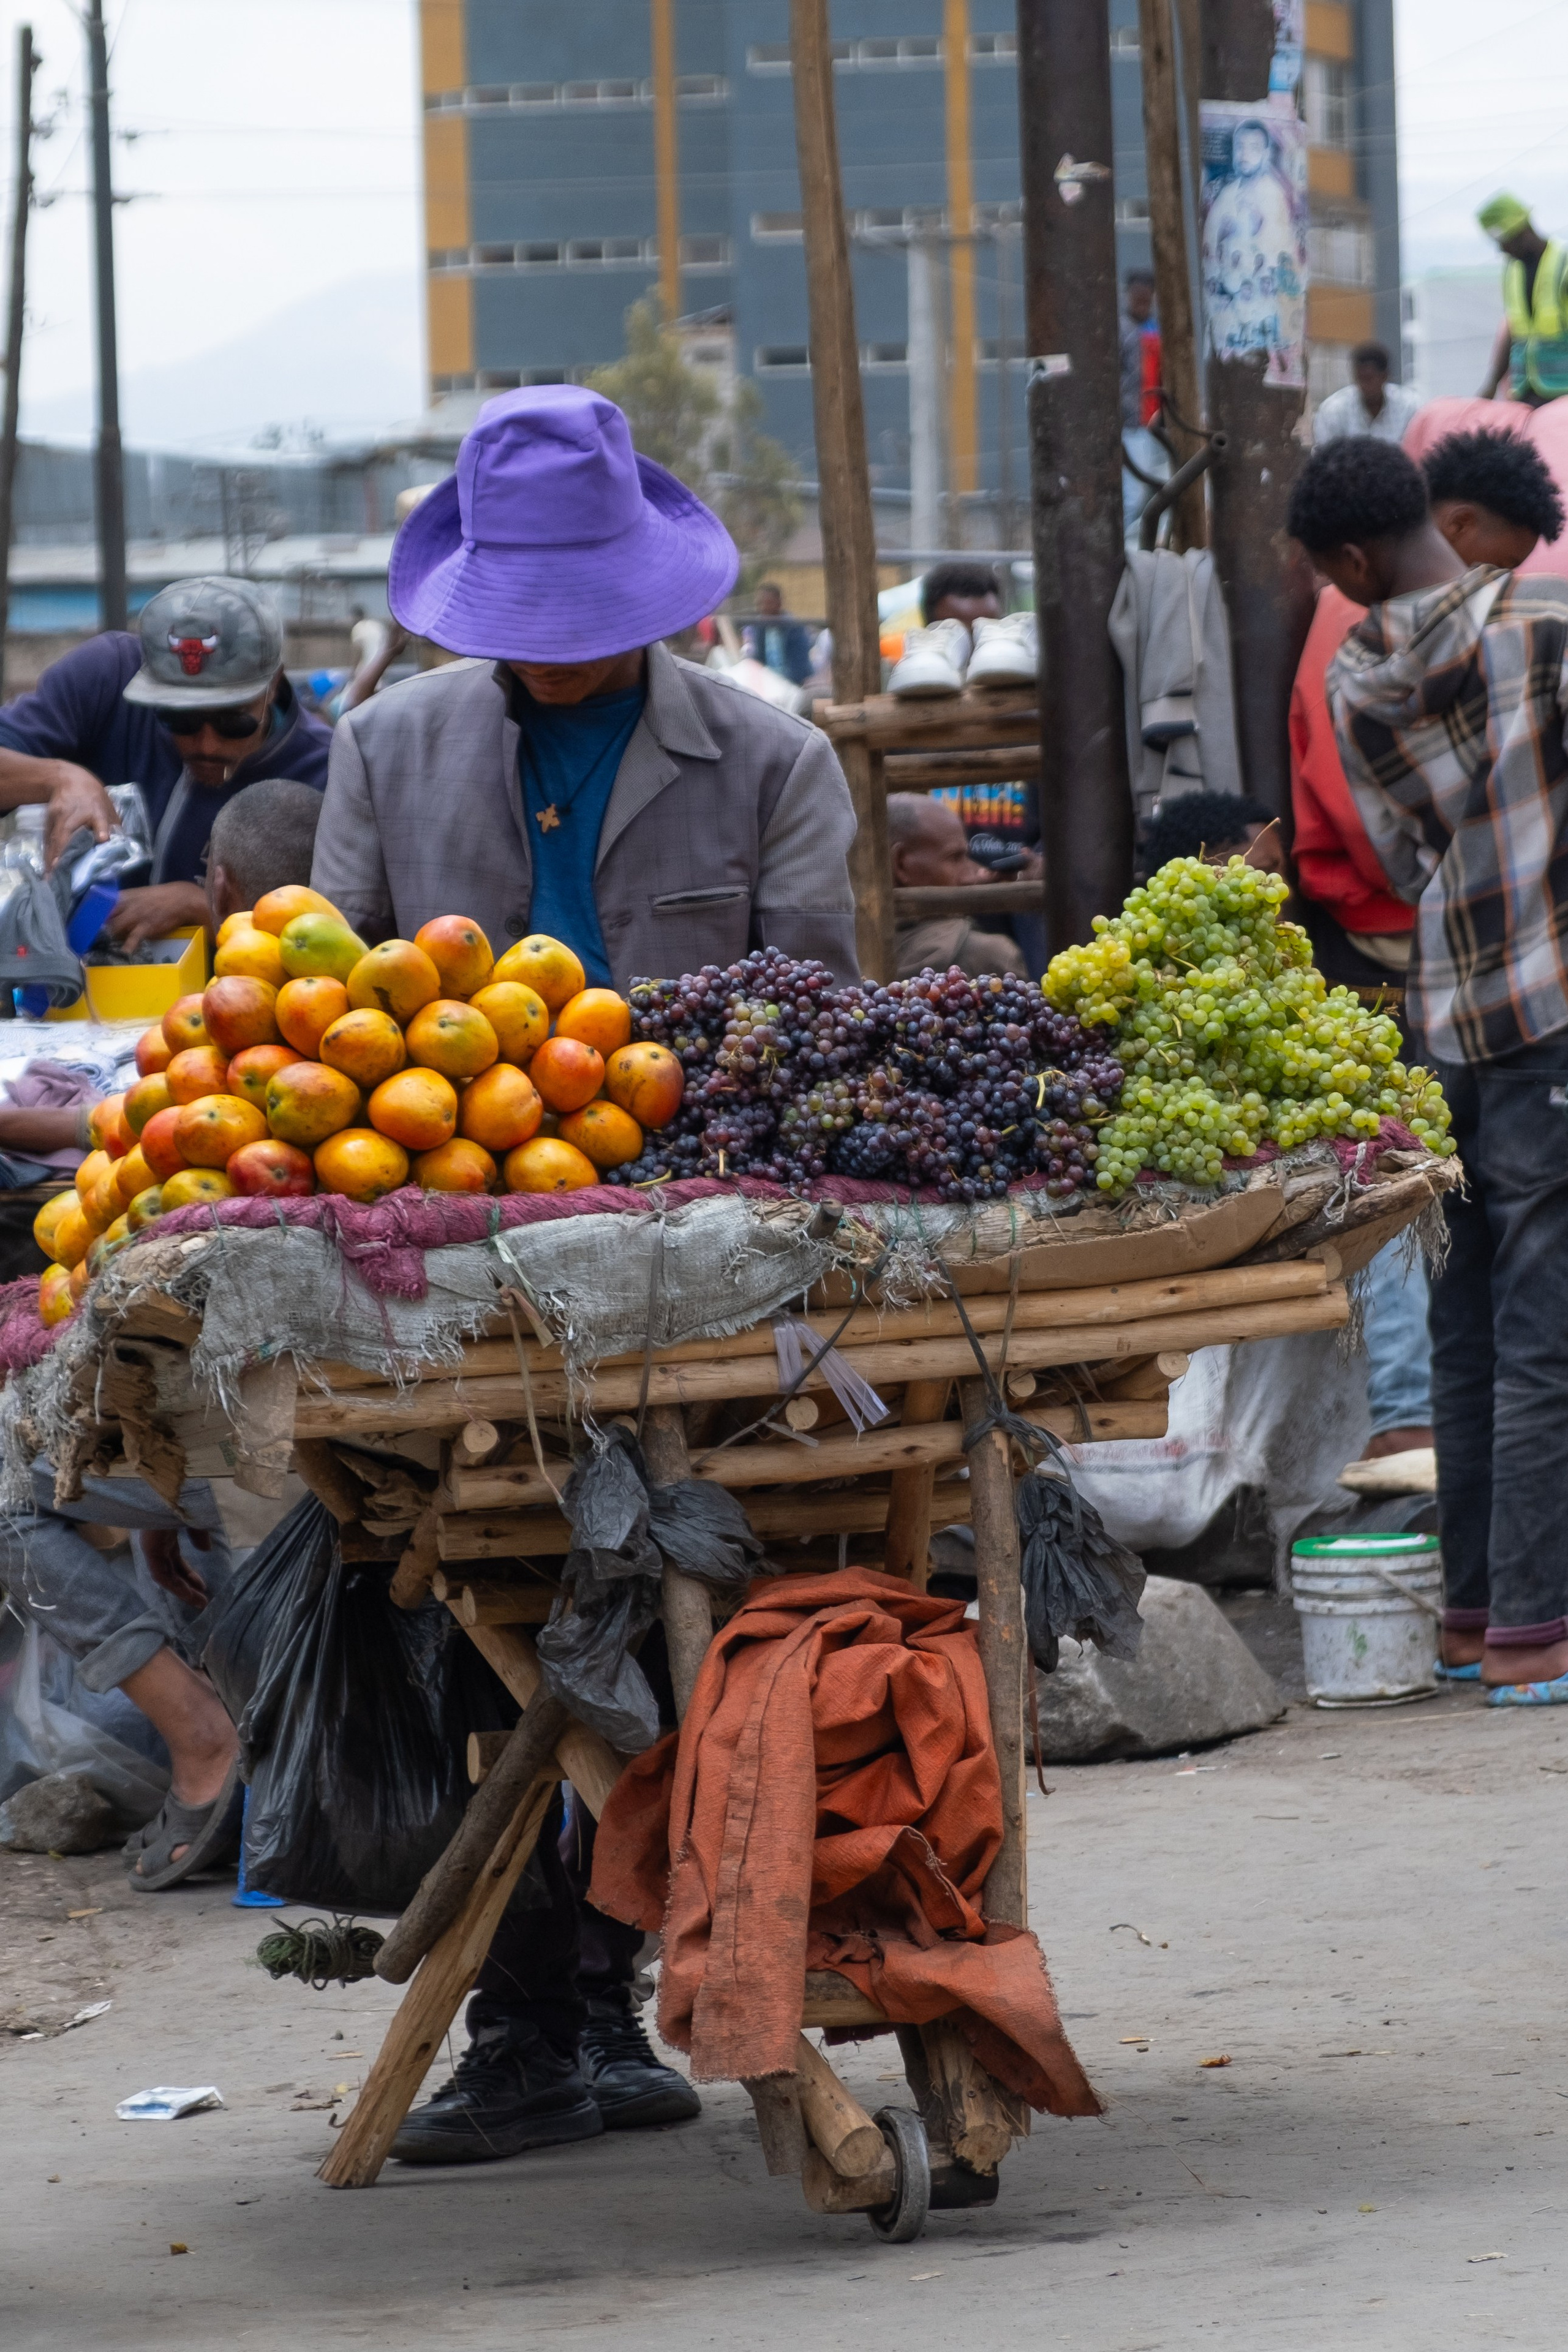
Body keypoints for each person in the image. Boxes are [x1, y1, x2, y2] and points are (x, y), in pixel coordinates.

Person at [312, 383, 854, 2163]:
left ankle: (634, 1991)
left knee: (707, 1621)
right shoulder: (385, 753)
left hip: (702, 1267)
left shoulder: (772, 760)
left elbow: (812, 1047)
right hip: (456, 1274)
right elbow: (321, 1030)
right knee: (482, 1640)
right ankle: (534, 2021)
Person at [0, 776, 326, 1891]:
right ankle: (258, 1752)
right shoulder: (403, 1025)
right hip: (373, 1418)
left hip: (277, 1441)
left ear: (221, 890)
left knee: (14, 1482)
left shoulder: (211, 1059)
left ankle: (203, 1737)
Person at [1289, 435, 1568, 1702]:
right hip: (1551, 1016)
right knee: (1543, 1334)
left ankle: (1466, 1616)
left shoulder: (1354, 676)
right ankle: (1533, 1633)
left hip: (1445, 1023)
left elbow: (1401, 867)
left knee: (1462, 1327)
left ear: (1352, 559)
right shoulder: (1541, 630)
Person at [312, 386, 857, 990]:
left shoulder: (777, 766)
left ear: (636, 588)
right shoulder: (379, 750)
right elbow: (337, 1001)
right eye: (518, 617)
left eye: (574, 618)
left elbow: (818, 1018)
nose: (543, 655)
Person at [0, 577, 330, 951]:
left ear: (273, 685)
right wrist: (58, 777)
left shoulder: (325, 769)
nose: (206, 744)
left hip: (232, 999)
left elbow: (336, 934)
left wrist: (202, 907)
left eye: (232, 721)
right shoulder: (107, 676)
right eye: (180, 719)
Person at [887, 793, 1026, 981]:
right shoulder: (991, 956)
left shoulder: (843, 950)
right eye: (955, 858)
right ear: (901, 864)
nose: (970, 878)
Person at [1477, 193, 1568, 406]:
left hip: (1562, 394)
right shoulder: (1512, 270)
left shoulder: (1564, 263)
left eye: (1505, 242)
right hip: (1525, 392)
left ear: (1523, 232)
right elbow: (1512, 329)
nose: (1502, 250)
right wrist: (1492, 384)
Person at [1120, 268, 1167, 531]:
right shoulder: (1121, 330)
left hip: (1152, 423)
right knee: (1133, 497)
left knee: (1146, 493)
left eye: (1146, 299)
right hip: (1129, 423)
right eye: (1136, 298)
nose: (1141, 304)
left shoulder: (1156, 330)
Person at [1312, 342, 1420, 448]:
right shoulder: (1334, 410)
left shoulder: (1409, 406)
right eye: (1359, 378)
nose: (1362, 385)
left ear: (1385, 376)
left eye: (1368, 379)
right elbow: (1325, 458)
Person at [740, 582, 812, 687]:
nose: (764, 608)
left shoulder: (794, 628)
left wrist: (781, 683)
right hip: (765, 684)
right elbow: (755, 659)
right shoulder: (757, 628)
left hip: (791, 684)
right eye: (760, 604)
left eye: (769, 603)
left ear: (779, 603)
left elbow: (799, 665)